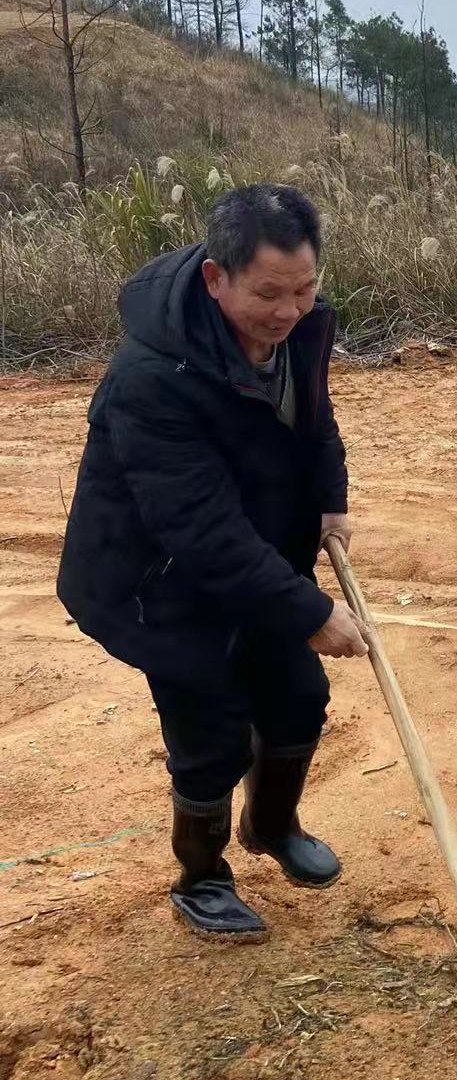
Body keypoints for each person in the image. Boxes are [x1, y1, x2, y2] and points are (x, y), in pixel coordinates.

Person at [57, 184, 371, 940]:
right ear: (215, 277)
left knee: (298, 695)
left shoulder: (299, 329)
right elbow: (197, 530)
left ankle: (274, 825)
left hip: (252, 556)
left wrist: (330, 497)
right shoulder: (151, 379)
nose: (289, 311)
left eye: (305, 289)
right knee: (213, 731)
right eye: (268, 293)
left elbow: (315, 421)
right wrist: (308, 610)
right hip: (159, 581)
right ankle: (201, 877)